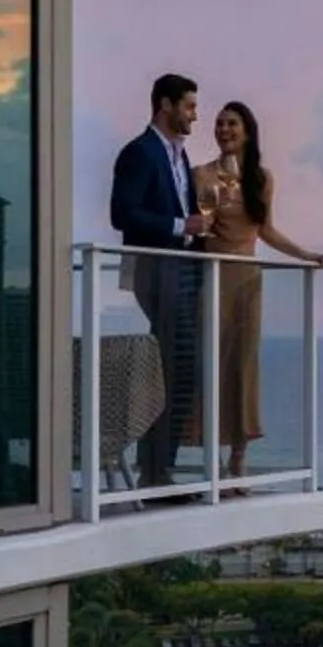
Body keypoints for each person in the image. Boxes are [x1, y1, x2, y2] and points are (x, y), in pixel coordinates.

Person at [189, 101, 323, 478]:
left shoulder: (261, 179)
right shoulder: (201, 174)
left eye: (231, 124)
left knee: (243, 365)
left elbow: (265, 230)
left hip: (247, 278)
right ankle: (210, 460)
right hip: (211, 274)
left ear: (247, 130)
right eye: (219, 124)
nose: (223, 130)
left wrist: (304, 254)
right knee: (209, 363)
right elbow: (199, 225)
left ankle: (238, 456)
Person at [109, 73, 211, 489]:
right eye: (188, 106)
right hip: (156, 270)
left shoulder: (177, 155)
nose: (195, 115)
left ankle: (158, 468)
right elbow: (123, 215)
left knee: (180, 369)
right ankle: (155, 471)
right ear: (165, 106)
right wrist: (179, 224)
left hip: (182, 270)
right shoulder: (139, 152)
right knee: (175, 368)